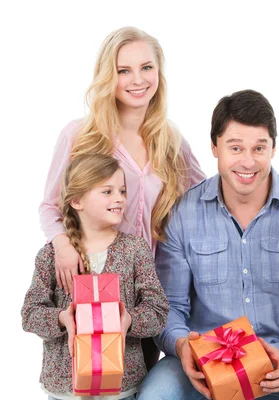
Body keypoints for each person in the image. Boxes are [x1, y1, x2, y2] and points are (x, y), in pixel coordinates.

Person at [137, 89, 279, 400]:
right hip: (204, 358)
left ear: (273, 149)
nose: (248, 162)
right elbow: (171, 308)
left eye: (259, 148)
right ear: (214, 147)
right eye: (235, 148)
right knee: (156, 394)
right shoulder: (182, 213)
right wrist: (183, 347)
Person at [38, 26, 205, 369]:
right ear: (107, 77)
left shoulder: (170, 140)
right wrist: (62, 245)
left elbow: (206, 198)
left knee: (136, 382)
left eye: (146, 67)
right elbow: (49, 206)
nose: (137, 80)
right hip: (90, 286)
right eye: (123, 70)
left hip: (147, 295)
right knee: (86, 381)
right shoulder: (80, 135)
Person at [22, 153, 170, 400]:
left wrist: (128, 319)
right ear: (77, 200)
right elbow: (29, 314)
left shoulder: (135, 249)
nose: (120, 199)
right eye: (107, 191)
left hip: (123, 388)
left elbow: (158, 311)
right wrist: (62, 318)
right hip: (65, 390)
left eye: (122, 191)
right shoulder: (52, 255)